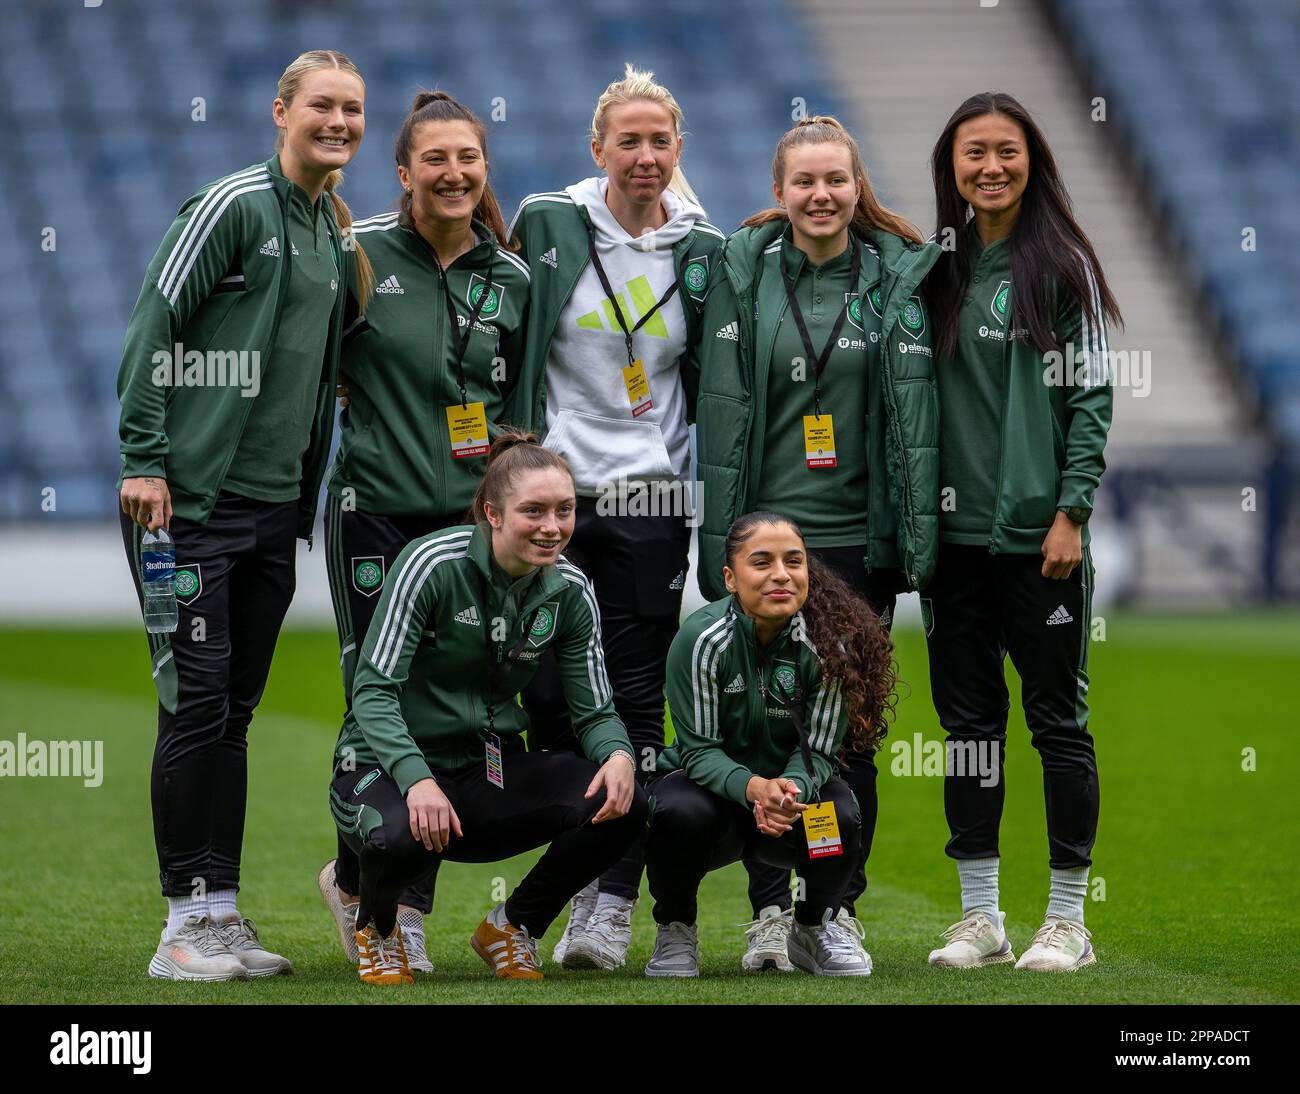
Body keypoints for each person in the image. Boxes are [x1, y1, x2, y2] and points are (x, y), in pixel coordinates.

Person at [117, 49, 370, 981]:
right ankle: (179, 925)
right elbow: (153, 326)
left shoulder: (332, 232)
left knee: (233, 713)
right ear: (280, 111)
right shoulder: (231, 206)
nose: (338, 122)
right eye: (321, 106)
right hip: (188, 504)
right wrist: (143, 460)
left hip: (270, 513)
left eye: (351, 109)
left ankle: (220, 911)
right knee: (192, 706)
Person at [693, 116, 941, 970]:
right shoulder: (745, 277)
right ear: (780, 194)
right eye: (804, 182)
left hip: (857, 546)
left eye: (836, 180)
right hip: (768, 541)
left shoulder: (895, 281)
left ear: (856, 185)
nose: (821, 195)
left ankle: (828, 908)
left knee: (846, 739)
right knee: (763, 732)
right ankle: (769, 911)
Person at [505, 64, 724, 970]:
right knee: (552, 700)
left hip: (652, 499)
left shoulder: (704, 248)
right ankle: (555, 894)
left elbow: (714, 378)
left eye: (659, 141)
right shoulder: (549, 221)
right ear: (597, 148)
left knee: (634, 705)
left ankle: (607, 909)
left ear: (679, 152)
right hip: (559, 496)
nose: (644, 155)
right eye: (626, 140)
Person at [315, 90, 531, 974]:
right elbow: (309, 364)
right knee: (375, 700)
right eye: (434, 160)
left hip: (465, 524)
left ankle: (403, 903)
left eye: (467, 160)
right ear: (403, 172)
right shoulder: (356, 253)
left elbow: (516, 411)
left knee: (447, 707)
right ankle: (367, 894)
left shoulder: (512, 278)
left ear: (484, 171)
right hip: (375, 513)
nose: (453, 174)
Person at [330, 430, 646, 984]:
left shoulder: (570, 589)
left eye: (565, 510)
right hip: (381, 767)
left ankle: (512, 926)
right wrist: (415, 779)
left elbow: (594, 711)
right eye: (534, 510)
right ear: (491, 514)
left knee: (627, 801)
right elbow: (372, 691)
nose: (553, 527)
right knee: (396, 835)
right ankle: (376, 927)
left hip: (483, 773)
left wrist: (618, 755)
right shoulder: (430, 563)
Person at [921, 92, 1119, 972]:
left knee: (1056, 726)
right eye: (974, 154)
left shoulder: (1059, 266)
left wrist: (1072, 511)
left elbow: (1091, 401)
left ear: (1031, 159)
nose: (990, 167)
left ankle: (1069, 921)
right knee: (968, 728)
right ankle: (982, 919)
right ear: (951, 167)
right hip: (951, 546)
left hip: (1040, 541)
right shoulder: (936, 268)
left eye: (1006, 151)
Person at [643, 511, 895, 978]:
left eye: (793, 561)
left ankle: (813, 925)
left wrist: (788, 790)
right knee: (672, 811)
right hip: (712, 805)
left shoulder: (829, 644)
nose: (781, 574)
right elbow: (698, 751)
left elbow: (819, 752)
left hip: (789, 807)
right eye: (761, 562)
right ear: (730, 578)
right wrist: (754, 787)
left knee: (838, 816)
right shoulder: (700, 639)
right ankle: (675, 927)